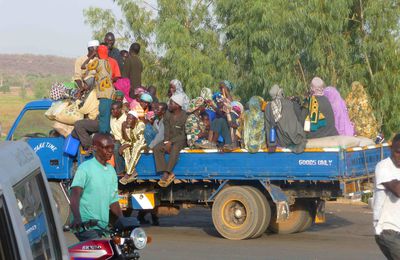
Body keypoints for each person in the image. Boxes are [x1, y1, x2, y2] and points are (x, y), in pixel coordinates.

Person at [70, 133, 122, 241]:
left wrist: (123, 220)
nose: (110, 151)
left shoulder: (111, 170)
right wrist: (77, 218)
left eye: (112, 148)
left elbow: (113, 201)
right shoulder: (85, 168)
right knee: (100, 251)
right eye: (106, 148)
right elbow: (75, 195)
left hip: (101, 226)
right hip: (86, 225)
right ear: (95, 148)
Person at [373, 134, 400, 259]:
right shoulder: (383, 166)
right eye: (398, 152)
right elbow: (397, 190)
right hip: (387, 230)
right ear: (391, 148)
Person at [153, 93, 188, 187]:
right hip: (168, 139)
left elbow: (183, 134)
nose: (169, 105)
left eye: (171, 103)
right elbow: (167, 130)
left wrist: (171, 142)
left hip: (180, 140)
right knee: (157, 148)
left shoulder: (185, 115)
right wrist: (166, 142)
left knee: (175, 148)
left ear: (177, 105)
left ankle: (166, 173)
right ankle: (166, 170)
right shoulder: (168, 115)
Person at [265, 85, 307, 154]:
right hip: (297, 138)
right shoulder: (290, 103)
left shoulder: (268, 107)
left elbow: (268, 127)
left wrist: (271, 145)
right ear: (281, 93)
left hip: (283, 141)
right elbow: (299, 121)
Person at [81, 45, 114, 134]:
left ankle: (103, 138)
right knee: (107, 118)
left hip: (104, 94)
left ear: (98, 53)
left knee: (103, 119)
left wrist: (92, 56)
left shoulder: (98, 62)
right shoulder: (108, 63)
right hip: (110, 93)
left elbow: (83, 66)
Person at [119, 111, 146, 185]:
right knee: (125, 149)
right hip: (135, 144)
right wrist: (123, 128)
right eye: (127, 118)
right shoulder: (129, 126)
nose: (128, 120)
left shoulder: (140, 124)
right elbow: (127, 139)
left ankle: (128, 174)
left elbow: (140, 141)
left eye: (130, 119)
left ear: (135, 120)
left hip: (144, 144)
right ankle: (132, 171)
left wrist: (129, 144)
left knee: (136, 148)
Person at [110, 101, 127, 176]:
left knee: (116, 147)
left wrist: (117, 140)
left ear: (120, 110)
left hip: (124, 141)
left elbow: (127, 136)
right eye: (112, 109)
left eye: (115, 109)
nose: (113, 111)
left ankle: (120, 171)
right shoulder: (112, 117)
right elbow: (113, 131)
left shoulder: (125, 119)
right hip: (114, 139)